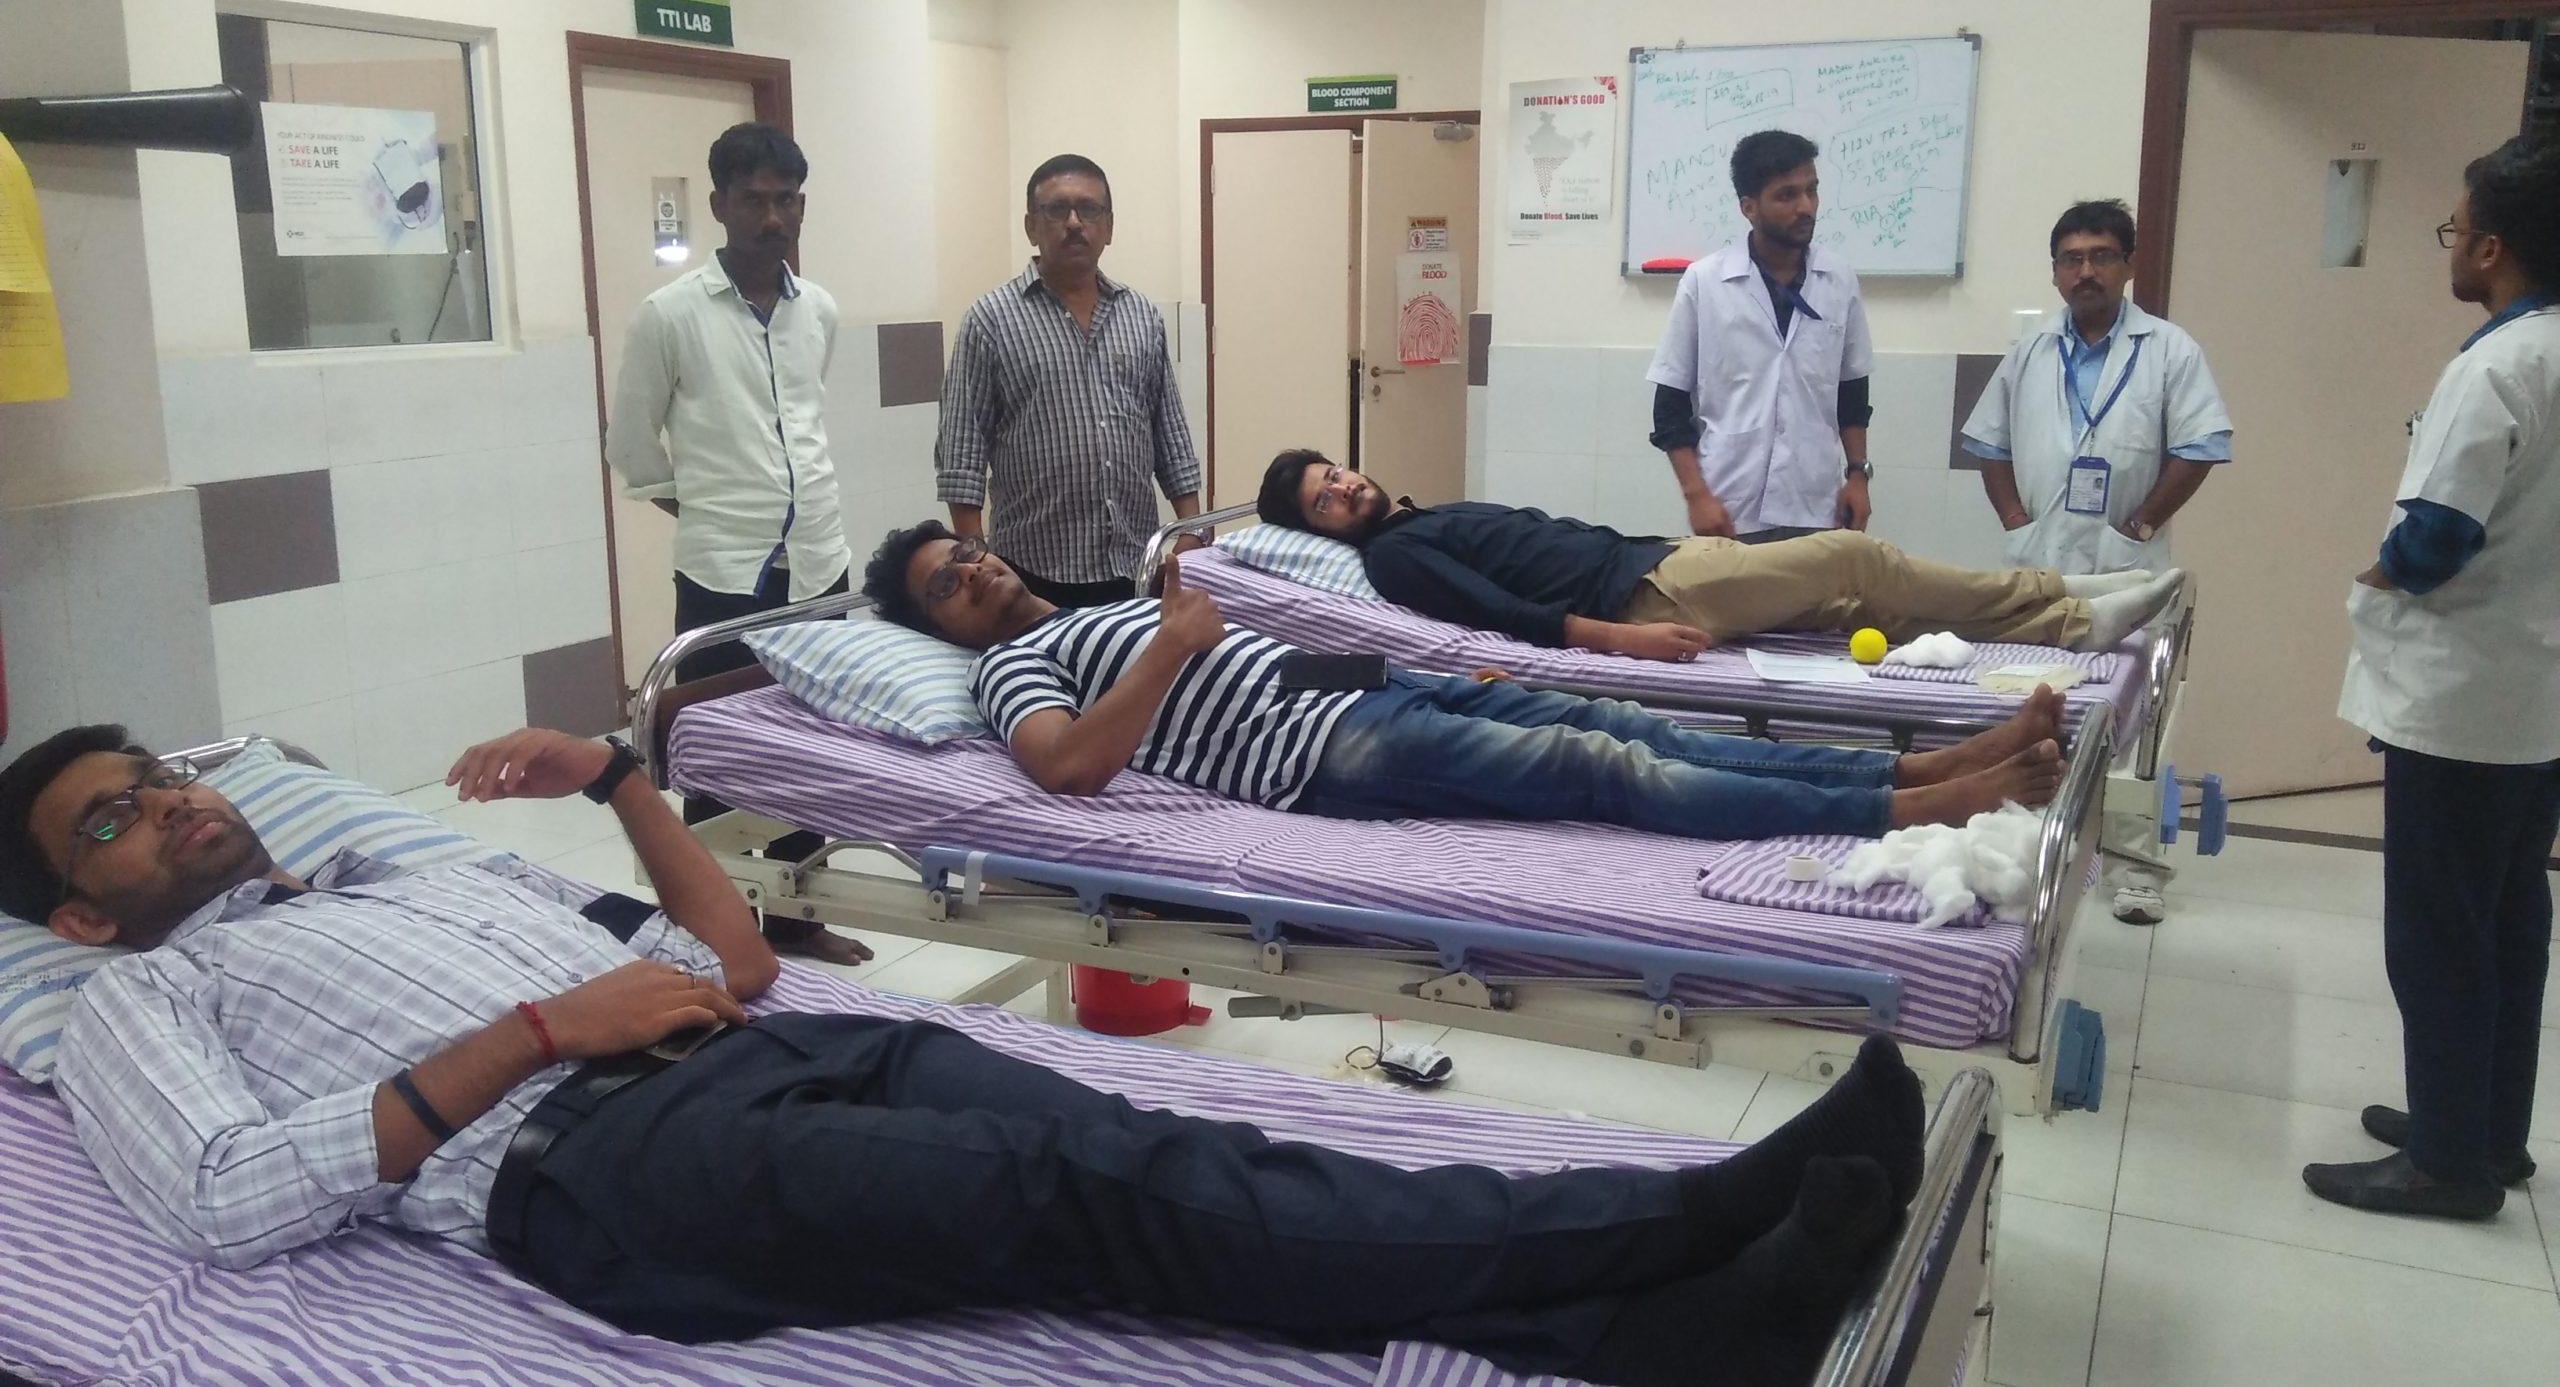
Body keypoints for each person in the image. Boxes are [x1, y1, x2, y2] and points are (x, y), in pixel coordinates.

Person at [0, 723, 1939, 1387]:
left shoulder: (407, 872)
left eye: (158, 774)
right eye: (112, 820)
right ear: (78, 914)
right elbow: (223, 1198)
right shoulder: (140, 1004)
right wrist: (540, 1032)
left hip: (746, 1057)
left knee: (1143, 1145)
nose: (165, 803)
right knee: (1086, 1184)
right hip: (599, 1169)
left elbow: (727, 956)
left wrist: (619, 776)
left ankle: (1657, 1327)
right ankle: (1670, 1227)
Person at [870, 521, 2073, 844]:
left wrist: (1431, 668)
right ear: (939, 626)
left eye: (963, 551)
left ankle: (1919, 760)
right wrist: (1172, 647)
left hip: (1367, 694)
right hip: (1322, 757)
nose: (970, 570)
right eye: (943, 584)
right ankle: (1904, 808)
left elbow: (1280, 658)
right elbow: (1066, 768)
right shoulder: (1013, 665)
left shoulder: (1103, 606)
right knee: (1603, 764)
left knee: (1619, 716)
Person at [2305, 133, 2560, 1223]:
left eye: (2457, 229)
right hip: (2535, 699)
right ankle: (2485, 1130)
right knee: (2509, 921)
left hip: (2462, 703)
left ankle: (2448, 1166)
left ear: (2492, 247)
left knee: (2438, 934)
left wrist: (2379, 569)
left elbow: (2435, 539)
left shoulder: (2494, 368)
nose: (2451, 247)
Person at [601, 120, 865, 965]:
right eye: (753, 200)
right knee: (716, 751)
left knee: (812, 742)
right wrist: (708, 508)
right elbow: (632, 444)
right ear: (717, 205)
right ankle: (714, 931)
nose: (772, 216)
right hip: (722, 571)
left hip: (819, 560)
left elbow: (803, 417)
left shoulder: (818, 310)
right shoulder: (669, 315)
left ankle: (795, 917)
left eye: (786, 200)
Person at [1257, 452, 2187, 661]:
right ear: (1319, 530)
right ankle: (2061, 590)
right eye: (1322, 502)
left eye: (1334, 473)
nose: (1342, 488)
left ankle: (2070, 629)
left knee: (1862, 612)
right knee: (1855, 557)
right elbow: (1497, 614)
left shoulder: (1414, 515)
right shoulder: (1394, 560)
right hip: (1645, 593)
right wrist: (1621, 640)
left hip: (1655, 557)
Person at [935, 154, 1204, 609]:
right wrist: (975, 554)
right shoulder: (990, 319)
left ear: (1109, 227)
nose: (1075, 223)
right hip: (1032, 571)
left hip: (1133, 566)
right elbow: (962, 446)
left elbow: (1169, 431)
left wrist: (1191, 530)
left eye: (1090, 210)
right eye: (1057, 210)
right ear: (1031, 226)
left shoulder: (1142, 316)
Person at [1959, 200, 2234, 574]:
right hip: (2037, 558)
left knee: (2125, 616)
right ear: (2055, 273)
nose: (2086, 271)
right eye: (2071, 260)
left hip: (2126, 560)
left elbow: (2201, 447)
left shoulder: (2171, 349)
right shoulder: (2029, 351)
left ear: (2130, 265)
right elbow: (1990, 444)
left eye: (2101, 256)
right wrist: (2016, 524)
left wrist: (2139, 527)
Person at [1647, 130, 1875, 544]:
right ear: (1749, 207)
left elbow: (1852, 392)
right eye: (1787, 196)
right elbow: (1670, 406)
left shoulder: (1838, 278)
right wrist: (1696, 495)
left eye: (1811, 191)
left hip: (1817, 504)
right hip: (1728, 504)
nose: (1806, 207)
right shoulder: (1705, 282)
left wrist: (1858, 475)